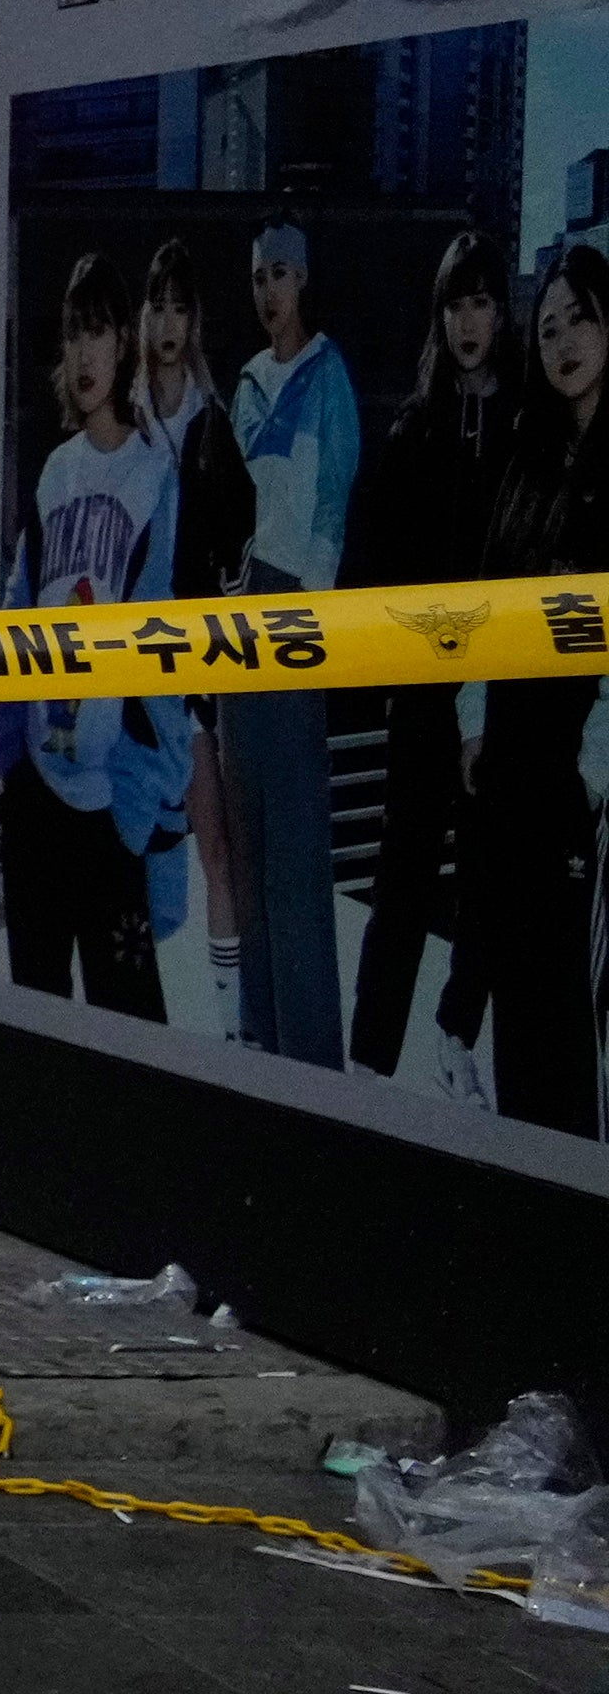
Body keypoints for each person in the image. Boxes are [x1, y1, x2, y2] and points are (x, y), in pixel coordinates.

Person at [0, 251, 188, 1016]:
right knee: (35, 1021)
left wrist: (143, 801)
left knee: (133, 1031)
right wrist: (11, 761)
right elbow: (13, 621)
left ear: (125, 345)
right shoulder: (54, 474)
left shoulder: (155, 474)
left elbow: (171, 648)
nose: (83, 353)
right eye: (73, 334)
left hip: (115, 801)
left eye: (99, 331)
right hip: (39, 797)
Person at [348, 229, 515, 1077]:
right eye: (456, 302)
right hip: (422, 696)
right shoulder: (414, 429)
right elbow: (376, 565)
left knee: (488, 885)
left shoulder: (527, 422)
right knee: (401, 887)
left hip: (506, 697)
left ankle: (456, 1042)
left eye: (482, 300)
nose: (468, 320)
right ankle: (368, 1065)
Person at [455, 242, 609, 1138]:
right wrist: (474, 720)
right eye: (548, 326)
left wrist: (592, 770)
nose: (563, 342)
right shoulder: (530, 458)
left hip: (580, 791)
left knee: (571, 1026)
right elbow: (482, 605)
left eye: (581, 318)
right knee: (520, 1023)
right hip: (514, 778)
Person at [223, 216, 361, 1063]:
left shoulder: (328, 376)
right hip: (241, 611)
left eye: (279, 273)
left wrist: (306, 616)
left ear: (302, 279)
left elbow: (331, 509)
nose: (268, 291)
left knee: (296, 848)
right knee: (248, 837)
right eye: (257, 277)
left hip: (299, 613)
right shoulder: (243, 385)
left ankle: (311, 1053)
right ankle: (263, 1039)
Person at [136, 237, 264, 1029]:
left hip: (198, 665)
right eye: (160, 305)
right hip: (129, 661)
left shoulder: (216, 423)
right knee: (136, 849)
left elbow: (238, 549)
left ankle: (226, 1019)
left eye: (183, 307)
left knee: (214, 847)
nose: (171, 321)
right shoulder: (122, 414)